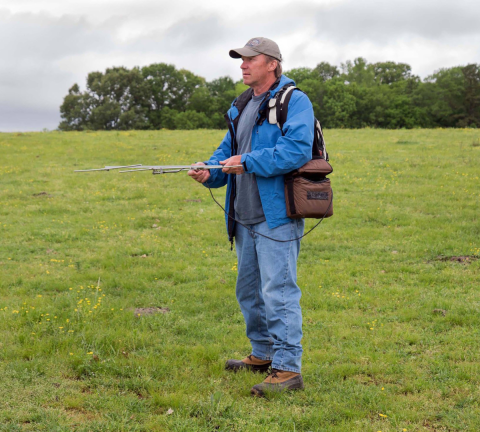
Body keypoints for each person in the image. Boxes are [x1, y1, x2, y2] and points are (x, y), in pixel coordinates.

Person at [188, 37, 314, 397]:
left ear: (272, 63)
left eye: (250, 59)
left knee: (279, 291)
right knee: (249, 292)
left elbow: (295, 150)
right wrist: (208, 171)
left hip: (276, 215)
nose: (242, 65)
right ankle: (262, 354)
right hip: (242, 215)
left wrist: (248, 161)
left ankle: (288, 369)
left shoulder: (295, 101)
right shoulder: (241, 105)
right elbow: (227, 152)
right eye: (240, 60)